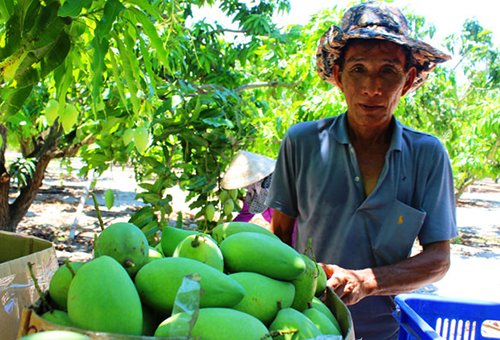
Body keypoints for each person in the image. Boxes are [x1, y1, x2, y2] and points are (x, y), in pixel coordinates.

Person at [265, 2, 457, 339]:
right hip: (305, 324)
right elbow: (280, 237)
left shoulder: (427, 155)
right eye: (358, 69)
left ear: (408, 80)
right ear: (339, 77)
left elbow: (438, 259)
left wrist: (364, 281)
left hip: (381, 329)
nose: (372, 87)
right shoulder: (303, 143)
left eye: (388, 71)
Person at [220, 150, 275, 224]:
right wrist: (229, 228)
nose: (248, 190)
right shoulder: (256, 194)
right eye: (246, 187)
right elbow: (246, 214)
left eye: (250, 186)